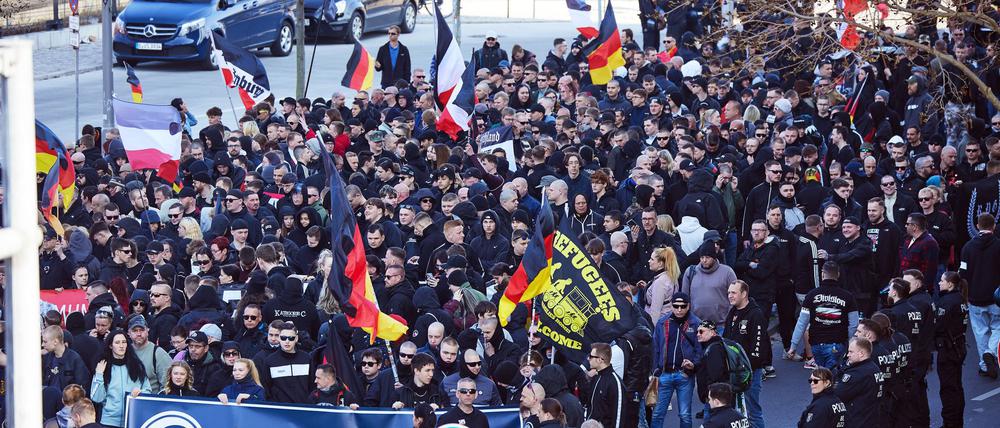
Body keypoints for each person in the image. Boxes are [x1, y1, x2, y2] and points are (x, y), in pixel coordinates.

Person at [787, 261, 859, 369]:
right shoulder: (848, 297)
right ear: (838, 274)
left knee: (821, 378)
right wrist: (844, 339)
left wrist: (793, 346)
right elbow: (854, 323)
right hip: (837, 344)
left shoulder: (811, 295)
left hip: (816, 344)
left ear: (822, 274)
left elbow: (802, 322)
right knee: (832, 378)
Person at [651, 293, 701, 428]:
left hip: (684, 375)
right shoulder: (663, 322)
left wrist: (693, 365)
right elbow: (655, 347)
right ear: (671, 306)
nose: (679, 309)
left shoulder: (696, 323)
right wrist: (655, 370)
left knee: (685, 415)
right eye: (676, 306)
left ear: (688, 306)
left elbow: (700, 349)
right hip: (664, 374)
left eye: (683, 306)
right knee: (657, 414)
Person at [960, 213, 1000, 379]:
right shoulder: (998, 245)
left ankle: (984, 365)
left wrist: (965, 296)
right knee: (998, 327)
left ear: (977, 226)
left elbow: (963, 273)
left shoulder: (968, 247)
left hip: (975, 298)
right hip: (996, 298)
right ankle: (992, 352)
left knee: (980, 331)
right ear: (994, 226)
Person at [722, 280, 768, 428]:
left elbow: (759, 347)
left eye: (733, 292)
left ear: (744, 294)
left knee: (752, 412)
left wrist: (747, 370)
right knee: (736, 415)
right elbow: (726, 340)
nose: (730, 295)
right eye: (729, 292)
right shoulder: (733, 312)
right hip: (733, 373)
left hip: (750, 373)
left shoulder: (756, 314)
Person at [90, 330, 151, 427]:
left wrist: (141, 392)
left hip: (133, 418)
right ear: (110, 346)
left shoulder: (137, 365)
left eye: (124, 342)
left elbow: (148, 390)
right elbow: (97, 398)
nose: (121, 346)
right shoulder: (103, 366)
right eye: (117, 343)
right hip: (108, 421)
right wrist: (99, 375)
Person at [935, 271, 969, 426]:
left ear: (950, 284)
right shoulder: (960, 298)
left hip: (948, 350)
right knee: (956, 387)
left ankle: (950, 423)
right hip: (958, 346)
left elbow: (939, 326)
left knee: (949, 389)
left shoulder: (947, 301)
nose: (939, 283)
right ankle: (956, 422)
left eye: (942, 281)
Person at [832, 337, 883, 427]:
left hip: (857, 420)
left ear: (861, 354)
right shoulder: (874, 368)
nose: (848, 355)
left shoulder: (858, 373)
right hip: (870, 418)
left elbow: (837, 395)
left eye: (851, 352)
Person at [259, 322, 313, 403]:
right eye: (283, 338)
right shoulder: (270, 361)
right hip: (279, 410)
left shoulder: (307, 358)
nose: (287, 341)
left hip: (304, 408)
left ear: (296, 339)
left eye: (291, 338)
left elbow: (313, 385)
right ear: (279, 338)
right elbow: (266, 388)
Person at [583, 342, 624, 428]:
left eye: (591, 356)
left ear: (600, 360)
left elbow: (618, 418)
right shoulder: (596, 377)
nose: (588, 359)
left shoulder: (615, 382)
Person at [695, 321, 729, 425]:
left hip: (714, 396)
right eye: (697, 331)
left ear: (713, 333)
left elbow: (715, 374)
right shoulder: (710, 346)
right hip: (714, 395)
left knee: (710, 423)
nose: (698, 334)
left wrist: (708, 394)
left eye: (701, 331)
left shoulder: (714, 349)